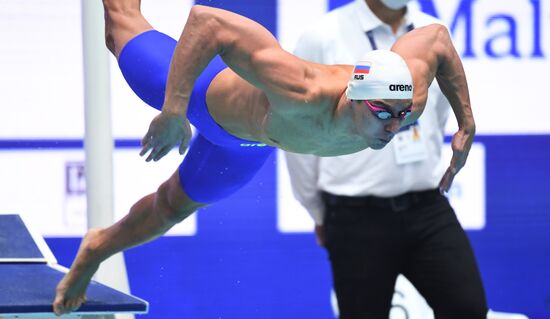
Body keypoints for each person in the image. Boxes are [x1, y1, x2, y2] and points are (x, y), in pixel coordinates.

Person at [53, 0, 476, 315]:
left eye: (402, 116)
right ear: (353, 97)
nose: (393, 127)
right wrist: (174, 111)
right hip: (202, 97)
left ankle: (94, 250)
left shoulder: (406, 97)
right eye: (382, 114)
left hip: (249, 147)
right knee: (119, 26)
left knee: (170, 208)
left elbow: (436, 39)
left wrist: (466, 123)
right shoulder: (301, 89)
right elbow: (208, 22)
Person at [284, 0, 487, 318]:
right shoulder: (322, 36)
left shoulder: (430, 32)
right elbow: (297, 133)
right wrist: (318, 210)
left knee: (469, 310)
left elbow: (439, 111)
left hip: (427, 208)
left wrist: (466, 124)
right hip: (355, 215)